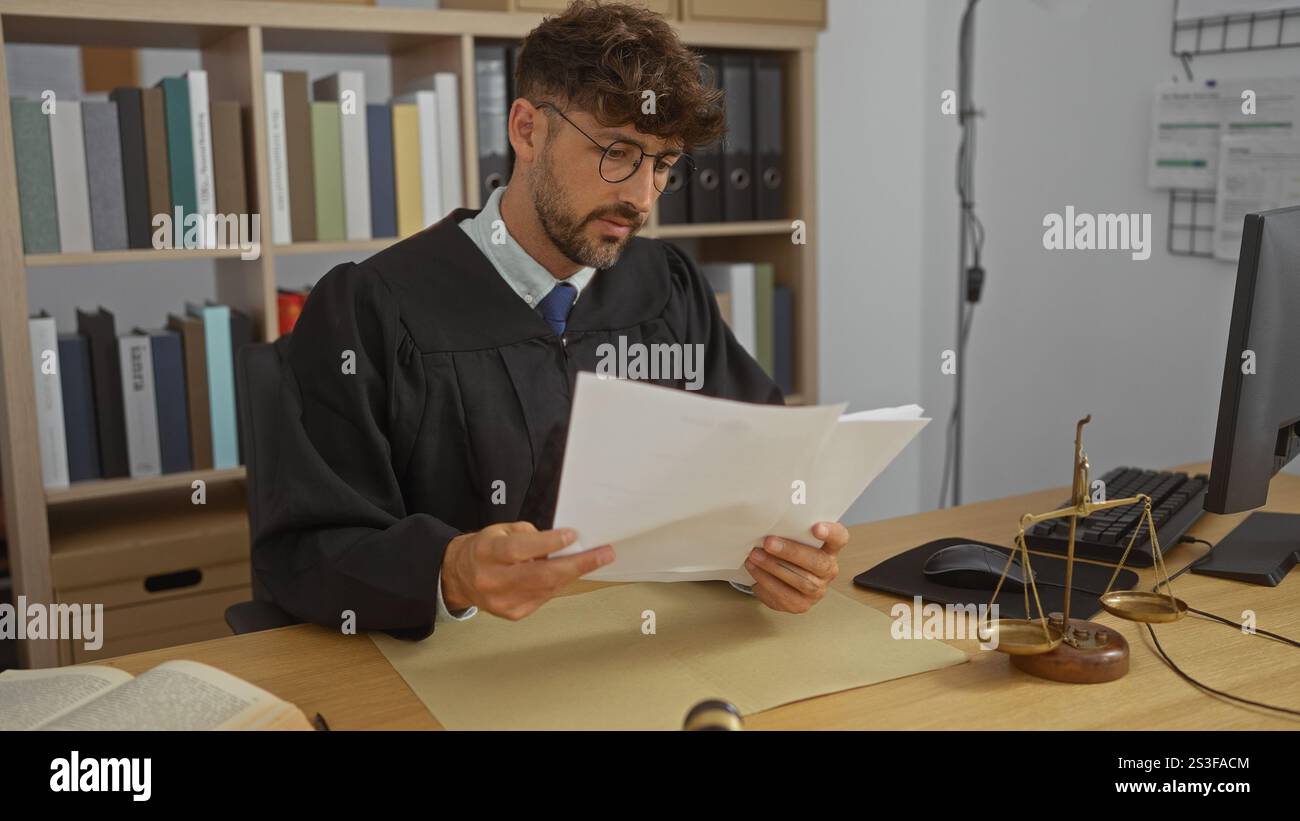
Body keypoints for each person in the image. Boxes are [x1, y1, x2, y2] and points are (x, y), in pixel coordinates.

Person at [253, 0, 848, 640]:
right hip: (450, 672)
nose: (643, 197)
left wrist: (773, 560)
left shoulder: (666, 288)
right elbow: (304, 552)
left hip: (640, 647)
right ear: (528, 129)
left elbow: (756, 473)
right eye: (619, 152)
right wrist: (448, 569)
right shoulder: (369, 308)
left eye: (663, 165)